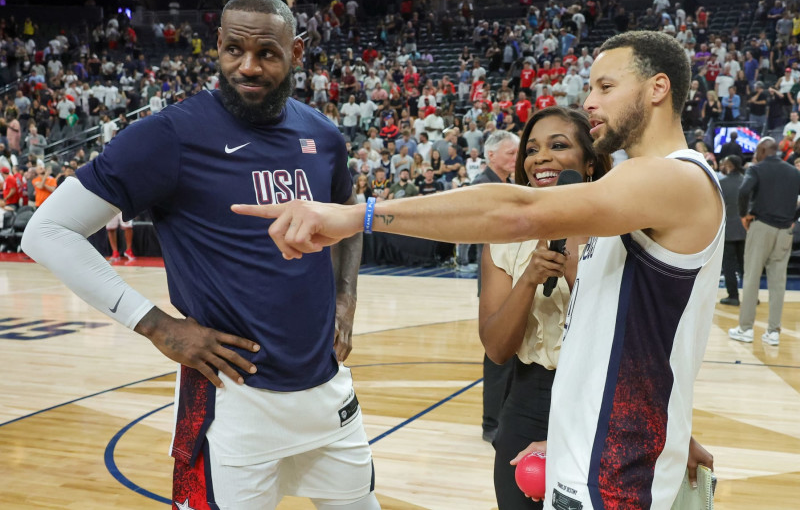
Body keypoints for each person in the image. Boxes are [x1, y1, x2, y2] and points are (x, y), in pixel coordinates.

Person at [235, 31, 720, 508]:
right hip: (590, 461)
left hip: (619, 486)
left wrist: (355, 214)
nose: (589, 102)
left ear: (658, 88)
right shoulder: (635, 204)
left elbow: (516, 211)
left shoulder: (674, 175)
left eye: (605, 87)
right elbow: (623, 342)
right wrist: (613, 431)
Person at [22, 0, 378, 510]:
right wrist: (158, 327)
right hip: (231, 400)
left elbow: (351, 209)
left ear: (296, 53)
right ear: (217, 45)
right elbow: (47, 230)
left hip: (328, 393)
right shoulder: (168, 136)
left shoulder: (321, 135)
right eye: (234, 50)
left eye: (267, 54)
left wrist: (346, 299)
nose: (248, 67)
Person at [481, 107, 611, 510]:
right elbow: (497, 349)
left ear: (589, 161)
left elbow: (627, 340)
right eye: (531, 149)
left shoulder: (620, 234)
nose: (541, 157)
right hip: (527, 401)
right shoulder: (503, 239)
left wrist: (572, 253)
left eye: (559, 145)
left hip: (601, 401)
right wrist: (529, 279)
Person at [468, 130, 520, 443]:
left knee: (511, 350)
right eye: (510, 154)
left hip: (511, 275)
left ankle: (503, 417)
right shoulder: (481, 186)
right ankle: (491, 423)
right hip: (494, 278)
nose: (516, 158)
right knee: (497, 353)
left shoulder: (509, 185)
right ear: (491, 156)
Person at [729, 136, 800, 347]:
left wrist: (744, 214)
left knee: (751, 277)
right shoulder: (794, 172)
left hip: (761, 228)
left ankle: (745, 328)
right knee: (778, 283)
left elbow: (743, 191)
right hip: (785, 231)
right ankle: (773, 332)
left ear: (761, 150)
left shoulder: (757, 169)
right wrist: (793, 219)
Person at [718, 155, 747, 306]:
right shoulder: (747, 181)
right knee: (746, 265)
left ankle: (733, 296)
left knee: (729, 264)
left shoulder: (722, 183)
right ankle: (750, 297)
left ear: (729, 166)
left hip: (728, 229)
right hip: (746, 229)